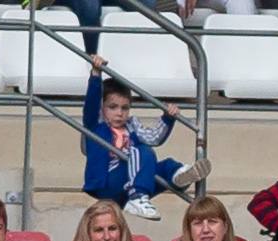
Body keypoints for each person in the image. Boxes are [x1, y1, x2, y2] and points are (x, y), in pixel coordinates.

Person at [79, 59, 198, 220]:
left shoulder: (131, 126)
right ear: (102, 108)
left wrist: (168, 118)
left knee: (164, 165)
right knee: (143, 152)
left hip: (129, 183)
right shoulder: (96, 126)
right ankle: (138, 196)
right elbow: (91, 104)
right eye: (113, 107)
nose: (120, 113)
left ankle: (178, 177)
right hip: (107, 182)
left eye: (125, 108)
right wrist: (95, 74)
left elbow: (154, 138)